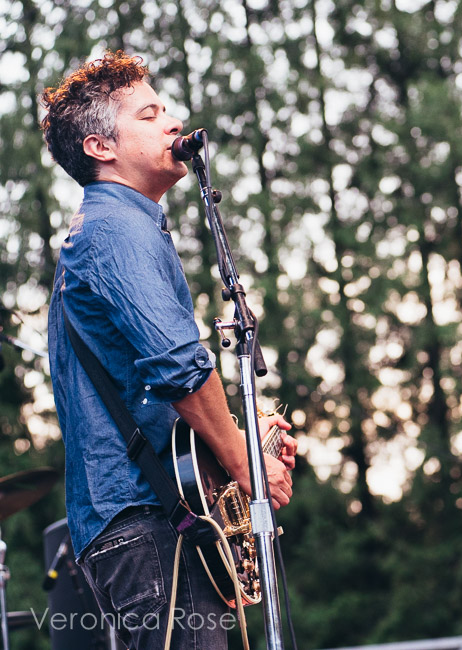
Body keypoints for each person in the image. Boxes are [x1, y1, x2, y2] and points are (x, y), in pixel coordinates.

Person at [42, 51, 297, 649]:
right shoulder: (114, 228)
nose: (172, 122)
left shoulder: (122, 228)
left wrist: (246, 438)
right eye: (149, 114)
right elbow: (179, 368)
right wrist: (247, 467)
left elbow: (154, 398)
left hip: (151, 521)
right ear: (101, 147)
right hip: (143, 523)